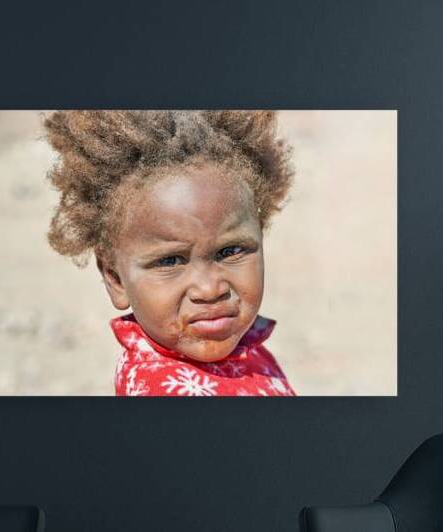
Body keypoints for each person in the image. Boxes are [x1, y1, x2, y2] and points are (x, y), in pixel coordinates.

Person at [43, 111, 296, 396]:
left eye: (230, 251)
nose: (210, 289)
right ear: (115, 279)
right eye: (170, 261)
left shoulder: (246, 351)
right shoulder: (163, 389)